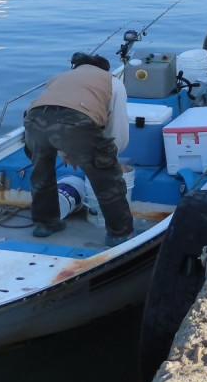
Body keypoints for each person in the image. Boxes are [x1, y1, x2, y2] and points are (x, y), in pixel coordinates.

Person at [23, 53, 134, 246]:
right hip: (77, 121)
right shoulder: (111, 81)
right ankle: (120, 233)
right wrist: (108, 157)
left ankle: (45, 224)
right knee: (107, 179)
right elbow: (117, 127)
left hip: (34, 119)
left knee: (42, 174)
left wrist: (67, 153)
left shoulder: (59, 77)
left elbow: (53, 117)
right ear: (104, 69)